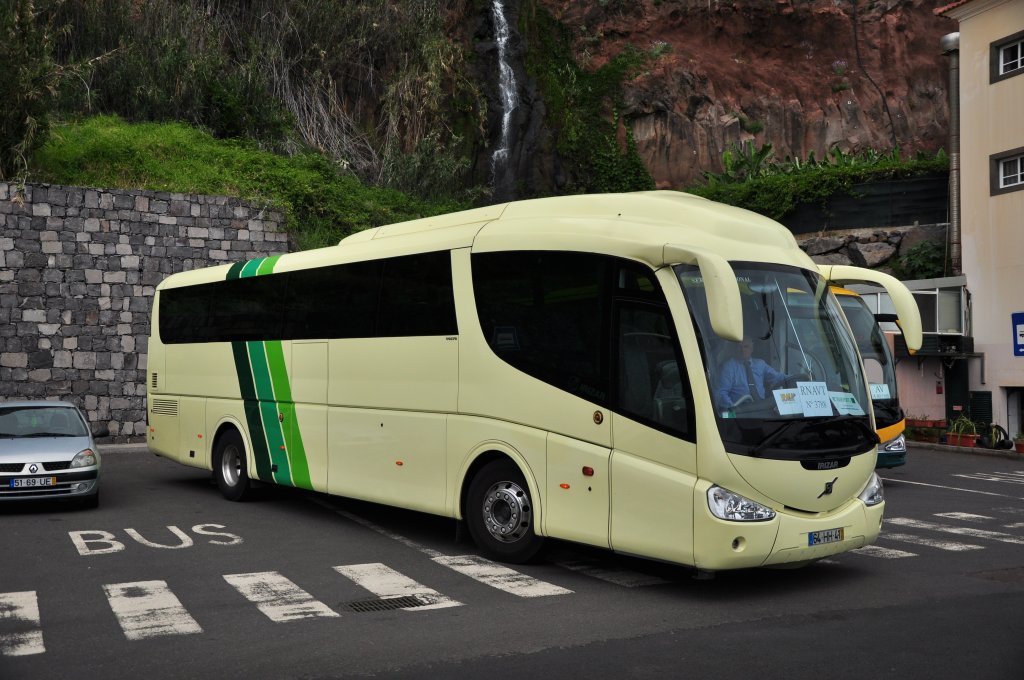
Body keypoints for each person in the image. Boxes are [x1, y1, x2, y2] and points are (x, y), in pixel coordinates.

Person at [716, 336, 789, 408]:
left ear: (752, 349)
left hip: (762, 407)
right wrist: (733, 410)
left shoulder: (760, 364)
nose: (742, 350)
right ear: (735, 349)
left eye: (746, 347)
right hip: (741, 409)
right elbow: (721, 393)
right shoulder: (728, 367)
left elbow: (778, 377)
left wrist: (796, 378)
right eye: (739, 347)